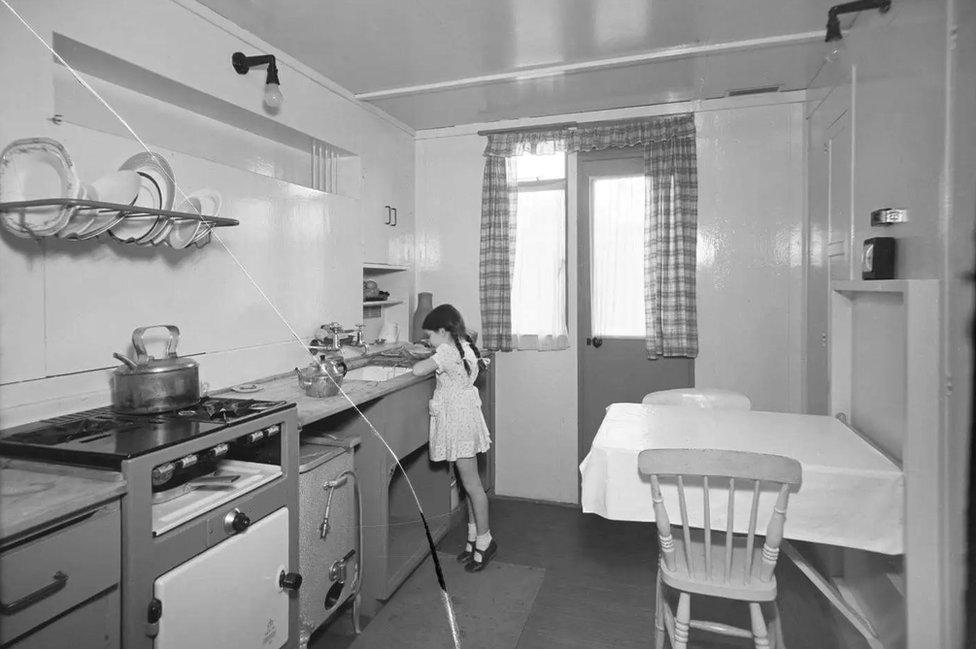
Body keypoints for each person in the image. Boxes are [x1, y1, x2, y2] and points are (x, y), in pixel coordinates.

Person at [411, 304, 495, 572]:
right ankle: (473, 538)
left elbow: (418, 371)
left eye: (430, 335)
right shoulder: (463, 344)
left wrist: (425, 355)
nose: (428, 340)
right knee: (467, 484)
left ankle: (485, 540)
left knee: (472, 486)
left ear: (443, 331)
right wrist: (439, 345)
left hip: (459, 423)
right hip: (466, 417)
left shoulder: (447, 351)